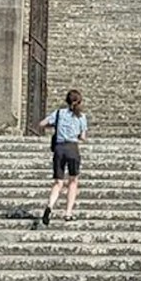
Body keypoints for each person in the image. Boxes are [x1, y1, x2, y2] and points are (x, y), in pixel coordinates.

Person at [35, 88, 89, 225]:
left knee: (58, 182)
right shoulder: (81, 116)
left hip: (59, 148)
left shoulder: (59, 113)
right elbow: (83, 137)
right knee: (73, 181)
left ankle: (50, 206)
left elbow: (41, 124)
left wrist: (55, 126)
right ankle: (68, 213)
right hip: (72, 148)